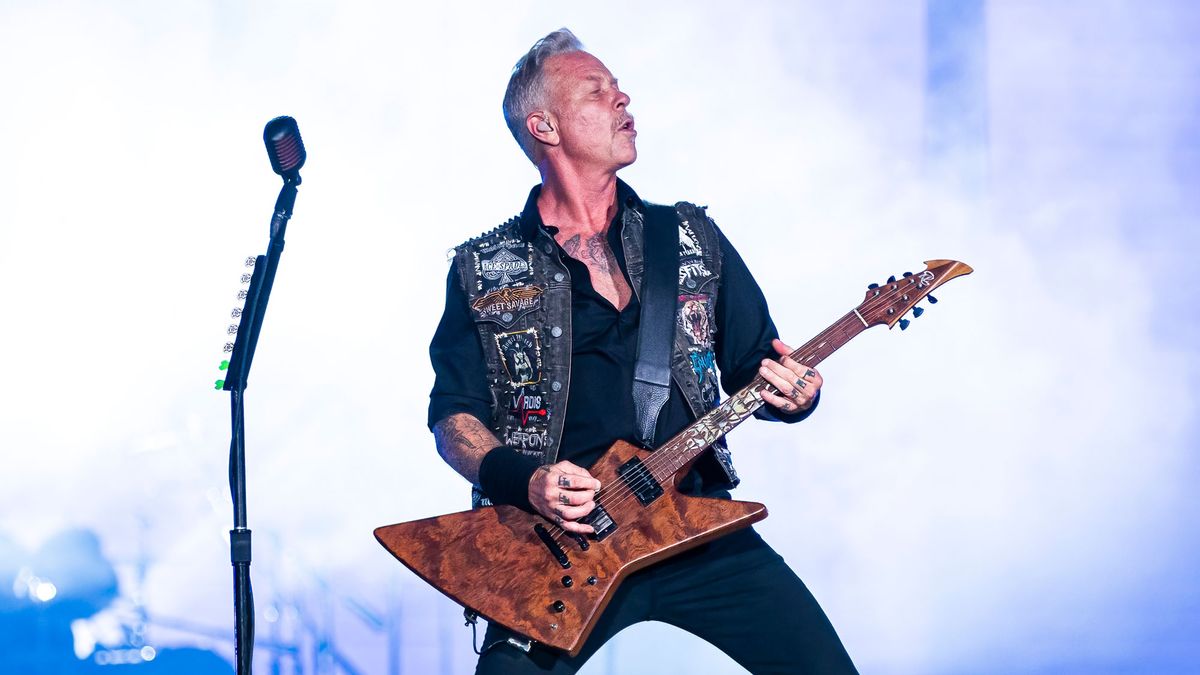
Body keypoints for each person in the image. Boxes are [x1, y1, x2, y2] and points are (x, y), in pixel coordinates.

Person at [427, 28, 858, 675]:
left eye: (619, 86)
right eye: (596, 91)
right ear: (544, 125)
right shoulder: (484, 269)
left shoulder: (689, 236)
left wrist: (796, 396)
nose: (622, 99)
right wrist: (529, 482)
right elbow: (454, 419)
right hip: (561, 548)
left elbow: (755, 366)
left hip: (694, 525)